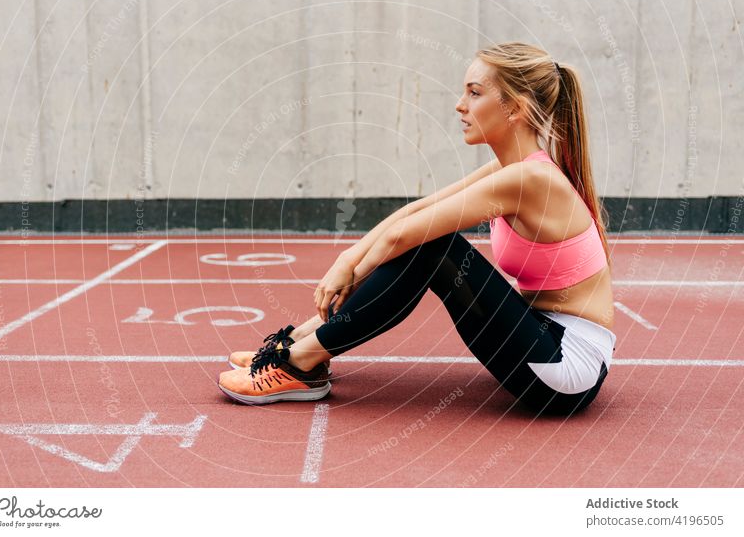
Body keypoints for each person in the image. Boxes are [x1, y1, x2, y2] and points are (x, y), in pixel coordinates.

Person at [218, 41, 617, 416]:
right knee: (428, 240)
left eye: (475, 93)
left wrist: (347, 273)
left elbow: (405, 236)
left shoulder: (528, 181)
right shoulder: (513, 170)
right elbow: (416, 211)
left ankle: (301, 360)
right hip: (541, 336)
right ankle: (300, 348)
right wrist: (347, 257)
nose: (460, 105)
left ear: (514, 108)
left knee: (434, 248)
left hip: (565, 367)